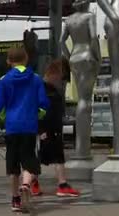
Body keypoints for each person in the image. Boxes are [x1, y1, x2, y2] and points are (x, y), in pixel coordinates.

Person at [0, 47, 49, 213]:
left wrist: (5, 117)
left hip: (12, 127)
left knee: (13, 164)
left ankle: (15, 199)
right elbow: (44, 104)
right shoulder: (36, 79)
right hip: (29, 126)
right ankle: (26, 184)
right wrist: (36, 115)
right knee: (29, 160)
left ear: (8, 61)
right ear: (26, 59)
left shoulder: (4, 80)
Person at [32, 59, 81, 198]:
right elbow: (40, 112)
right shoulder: (46, 91)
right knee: (48, 156)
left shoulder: (46, 89)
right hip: (47, 128)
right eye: (63, 79)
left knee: (45, 156)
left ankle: (37, 183)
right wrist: (41, 130)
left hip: (50, 128)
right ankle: (60, 184)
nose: (63, 82)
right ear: (56, 76)